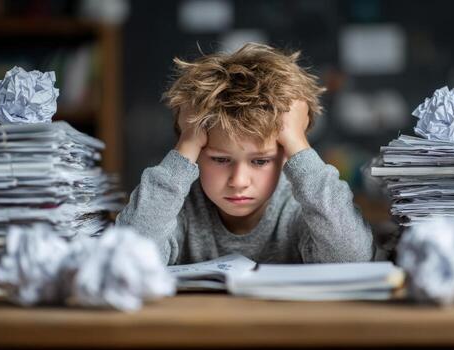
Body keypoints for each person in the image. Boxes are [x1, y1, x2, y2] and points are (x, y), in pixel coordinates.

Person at [116, 43, 374, 265]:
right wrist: (187, 142)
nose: (239, 181)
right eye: (220, 159)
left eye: (260, 161)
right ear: (196, 154)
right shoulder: (174, 208)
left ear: (288, 155)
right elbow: (127, 259)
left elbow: (352, 258)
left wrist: (298, 142)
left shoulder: (303, 208)